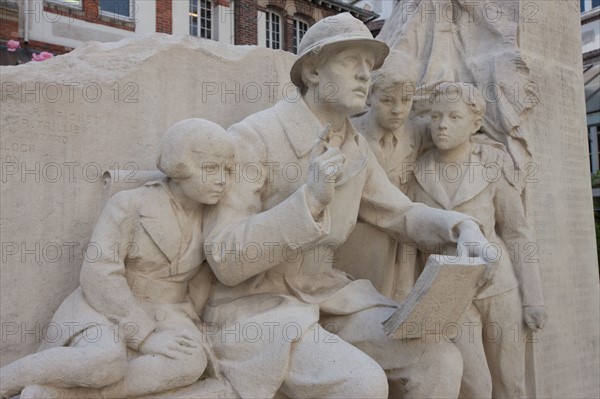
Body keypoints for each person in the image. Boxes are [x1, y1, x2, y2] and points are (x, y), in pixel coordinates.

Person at [202, 13, 495, 399]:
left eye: (368, 66)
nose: (364, 75)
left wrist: (462, 228)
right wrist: (308, 201)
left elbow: (400, 213)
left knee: (439, 358)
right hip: (260, 307)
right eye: (348, 62)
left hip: (330, 297)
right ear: (312, 71)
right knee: (361, 384)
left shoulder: (353, 144)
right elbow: (225, 256)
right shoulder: (255, 136)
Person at [0, 119, 235, 399]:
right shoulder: (130, 204)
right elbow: (99, 273)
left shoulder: (218, 218)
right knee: (104, 361)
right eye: (210, 169)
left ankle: (62, 395)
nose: (222, 179)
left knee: (190, 361)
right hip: (106, 306)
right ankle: (5, 381)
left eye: (227, 170)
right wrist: (145, 336)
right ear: (179, 167)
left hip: (168, 311)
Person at [406, 82, 547, 398]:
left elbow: (516, 231)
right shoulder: (417, 171)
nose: (442, 125)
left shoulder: (492, 165)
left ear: (475, 124)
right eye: (436, 116)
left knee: (511, 383)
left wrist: (532, 298)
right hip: (449, 292)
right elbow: (408, 237)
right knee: (475, 387)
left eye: (454, 117)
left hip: (499, 287)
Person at [336, 50, 425, 301]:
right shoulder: (350, 132)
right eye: (387, 100)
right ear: (369, 97)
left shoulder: (416, 133)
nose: (398, 110)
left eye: (406, 101)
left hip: (401, 243)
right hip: (360, 240)